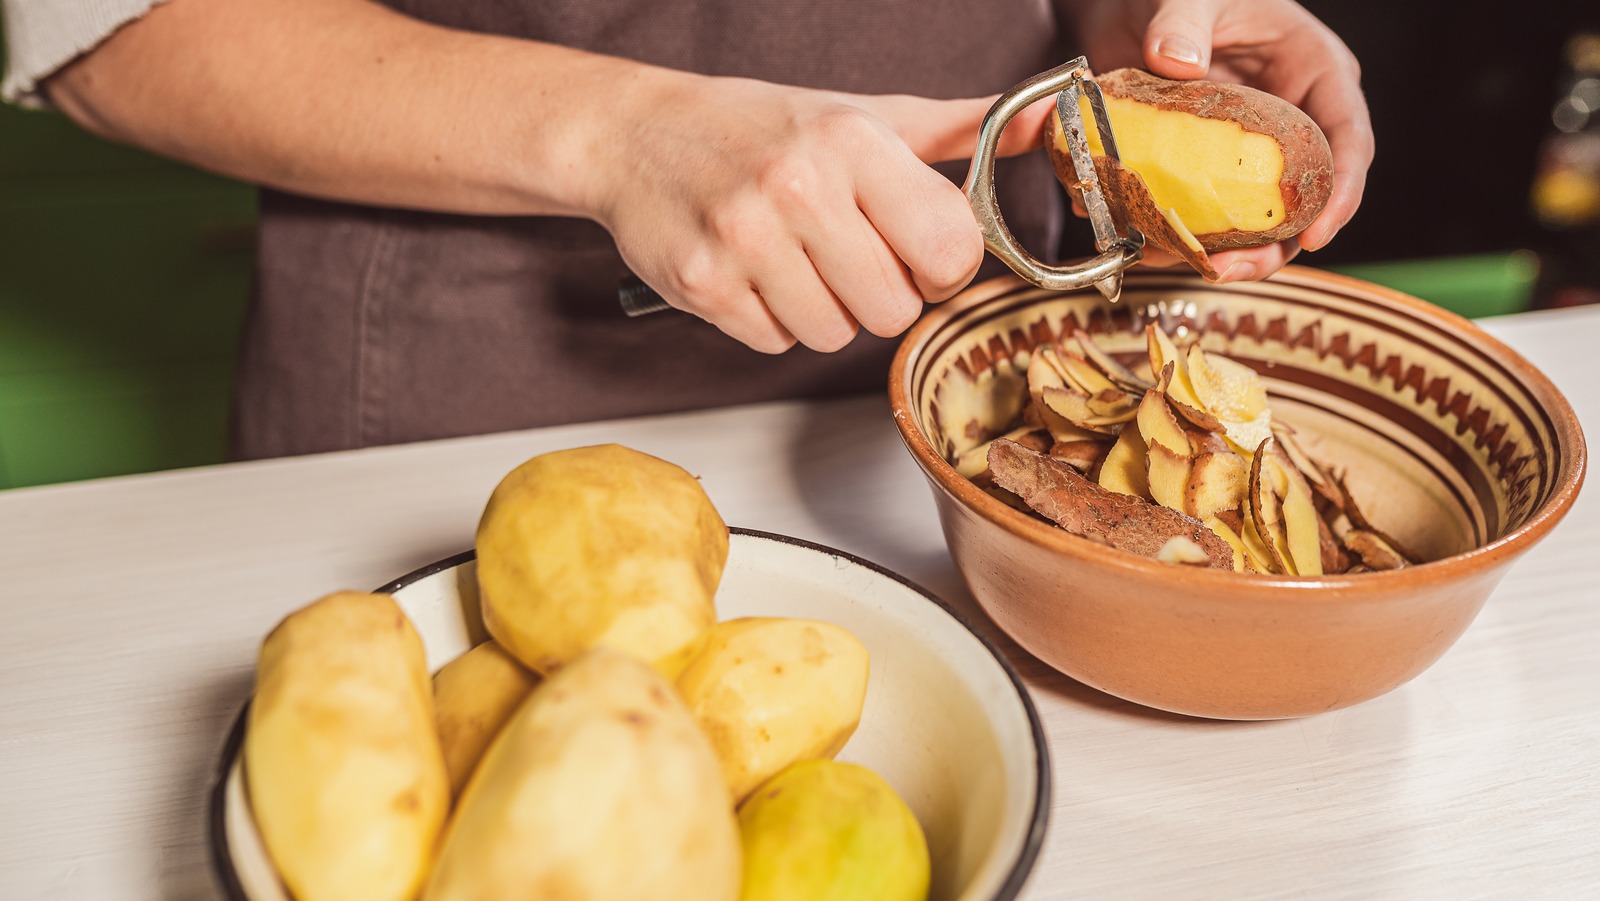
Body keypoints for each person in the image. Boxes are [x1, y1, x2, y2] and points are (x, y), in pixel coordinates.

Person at [1, 0, 1371, 459]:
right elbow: (113, 28)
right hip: (472, 401)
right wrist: (621, 136)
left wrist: (1153, 38)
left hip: (995, 398)